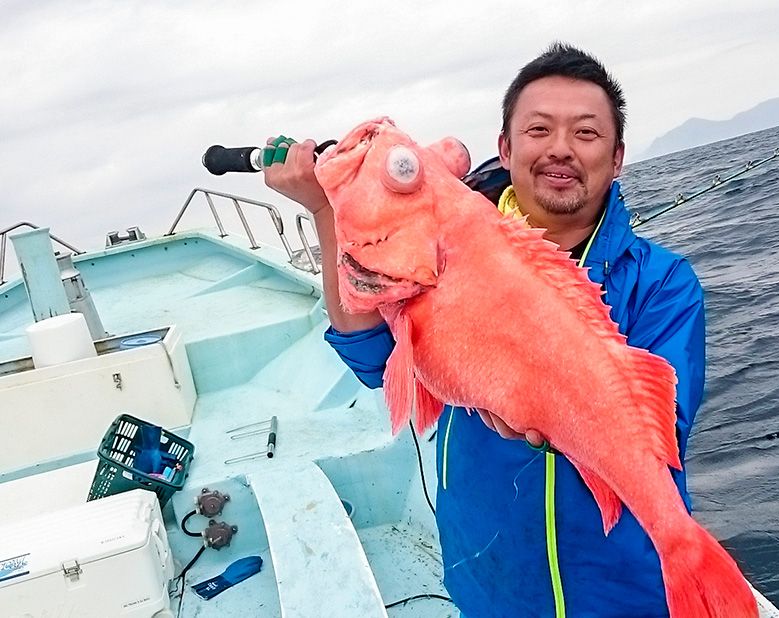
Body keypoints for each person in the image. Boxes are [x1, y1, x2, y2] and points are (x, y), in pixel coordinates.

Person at [264, 42, 706, 618]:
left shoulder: (664, 282)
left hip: (623, 590)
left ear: (618, 157)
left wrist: (543, 413)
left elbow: (660, 432)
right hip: (487, 584)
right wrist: (327, 210)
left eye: (587, 134)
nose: (561, 150)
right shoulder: (445, 248)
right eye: (539, 129)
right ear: (506, 147)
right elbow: (371, 356)